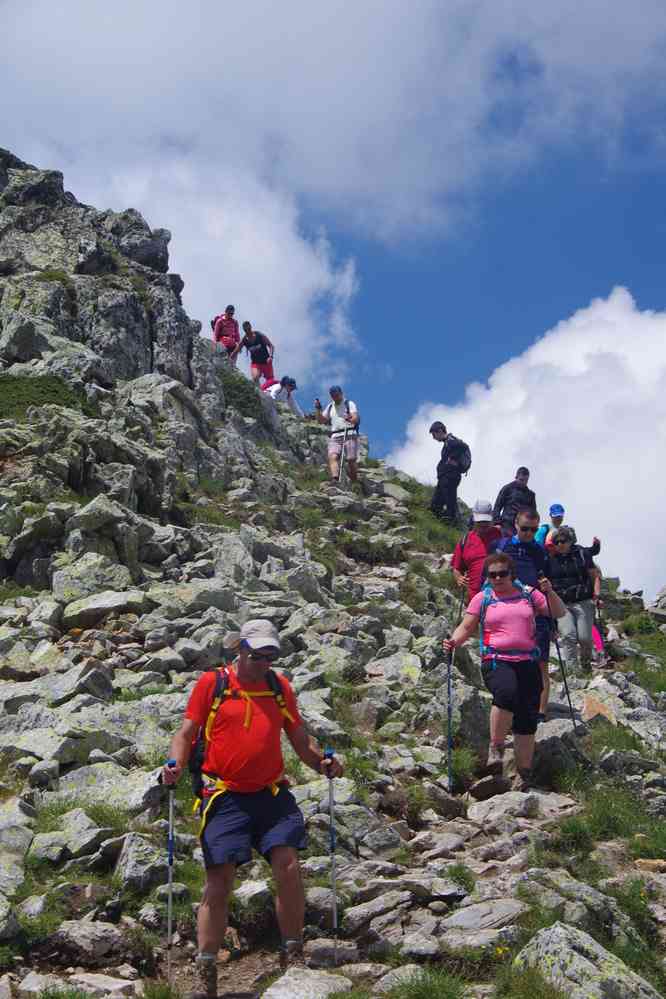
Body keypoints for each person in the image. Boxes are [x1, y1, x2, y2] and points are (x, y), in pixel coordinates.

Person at [162, 619, 343, 997]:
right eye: (257, 654)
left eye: (270, 655)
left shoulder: (279, 687)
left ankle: (292, 951)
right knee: (219, 879)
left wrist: (322, 763)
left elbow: (299, 738)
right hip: (224, 796)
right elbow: (185, 733)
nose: (264, 662)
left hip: (271, 793)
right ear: (239, 648)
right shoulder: (213, 685)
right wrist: (174, 767)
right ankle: (206, 967)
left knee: (288, 864)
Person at [443, 552, 566, 790]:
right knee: (506, 694)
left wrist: (549, 592)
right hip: (497, 660)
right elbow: (467, 626)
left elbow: (558, 612)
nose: (497, 578)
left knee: (527, 718)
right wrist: (454, 642)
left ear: (512, 574)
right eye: (492, 575)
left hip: (528, 662)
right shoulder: (483, 598)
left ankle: (523, 773)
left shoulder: (530, 594)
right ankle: (496, 749)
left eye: (502, 574)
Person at [490, 509, 552, 722]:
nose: (529, 533)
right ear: (515, 524)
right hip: (507, 613)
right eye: (525, 528)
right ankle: (511, 706)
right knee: (511, 661)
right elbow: (488, 578)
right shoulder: (502, 546)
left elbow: (548, 582)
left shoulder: (540, 552)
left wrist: (547, 589)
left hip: (537, 614)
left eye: (534, 530)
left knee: (541, 662)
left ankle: (540, 713)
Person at [545, 526, 602, 673]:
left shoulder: (582, 554)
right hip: (562, 604)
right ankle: (573, 672)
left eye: (563, 541)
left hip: (583, 601)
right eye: (556, 542)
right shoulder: (549, 560)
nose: (559, 544)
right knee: (568, 635)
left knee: (584, 638)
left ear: (570, 541)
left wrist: (596, 594)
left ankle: (585, 663)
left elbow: (594, 575)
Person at [451, 500, 501, 600]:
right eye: (480, 522)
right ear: (474, 519)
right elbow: (456, 568)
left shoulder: (500, 534)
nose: (483, 525)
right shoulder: (465, 540)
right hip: (474, 599)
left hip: (498, 597)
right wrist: (459, 578)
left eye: (486, 522)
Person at [315, 385, 360, 483]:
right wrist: (318, 409)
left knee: (351, 459)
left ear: (341, 394)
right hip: (335, 435)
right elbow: (321, 420)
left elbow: (355, 418)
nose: (335, 397)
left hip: (349, 433)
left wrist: (350, 418)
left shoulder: (349, 403)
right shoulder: (330, 406)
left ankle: (355, 481)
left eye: (336, 394)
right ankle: (335, 479)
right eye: (333, 395)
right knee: (333, 456)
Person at [429, 422, 469, 524]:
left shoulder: (451, 441)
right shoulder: (448, 443)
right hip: (446, 477)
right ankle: (440, 520)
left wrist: (452, 459)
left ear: (440, 431)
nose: (433, 438)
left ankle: (453, 522)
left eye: (434, 434)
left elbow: (463, 446)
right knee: (436, 503)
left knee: (450, 501)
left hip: (450, 477)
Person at [493, 468, 536, 536]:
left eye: (526, 480)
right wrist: (497, 523)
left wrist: (533, 527)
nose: (523, 482)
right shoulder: (507, 488)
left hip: (523, 528)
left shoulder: (531, 495)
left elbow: (533, 513)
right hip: (506, 526)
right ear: (516, 477)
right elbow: (497, 506)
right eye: (521, 480)